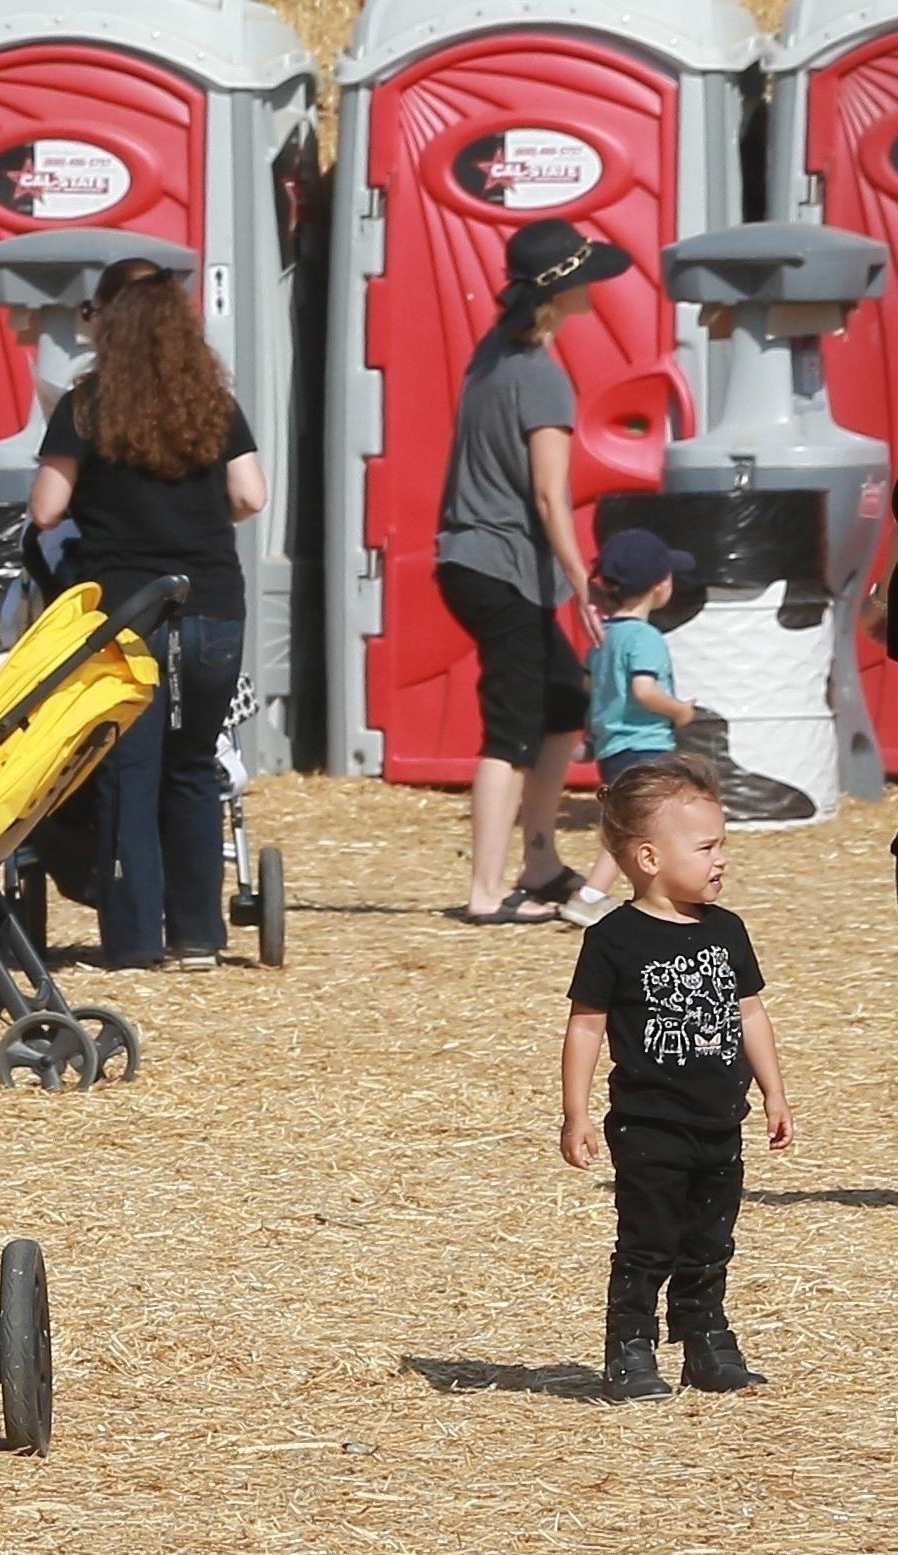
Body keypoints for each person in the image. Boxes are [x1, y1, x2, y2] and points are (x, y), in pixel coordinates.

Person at [26, 259, 266, 970]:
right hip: (212, 603)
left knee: (126, 768)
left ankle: (132, 941)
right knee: (193, 764)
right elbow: (251, 496)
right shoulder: (212, 403)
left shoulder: (85, 406)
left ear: (106, 324)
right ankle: (197, 935)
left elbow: (45, 508)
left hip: (124, 603)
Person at [560, 755, 794, 1402]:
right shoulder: (613, 940)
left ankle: (704, 1340)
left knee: (708, 1240)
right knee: (646, 1241)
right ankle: (628, 1347)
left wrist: (774, 1091)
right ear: (647, 857)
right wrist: (573, 1112)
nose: (721, 859)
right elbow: (583, 1027)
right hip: (648, 1127)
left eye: (722, 844)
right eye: (706, 846)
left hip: (720, 1122)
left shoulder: (726, 931)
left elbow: (750, 1012)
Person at [437, 219, 637, 924]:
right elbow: (551, 494)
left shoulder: (493, 355)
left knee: (560, 701)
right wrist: (582, 580)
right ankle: (485, 892)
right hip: (498, 565)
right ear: (563, 290)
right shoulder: (543, 378)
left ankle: (541, 860)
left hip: (475, 560)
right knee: (512, 727)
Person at [561, 532, 698, 929]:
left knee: (637, 824)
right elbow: (644, 690)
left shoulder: (602, 640)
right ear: (660, 587)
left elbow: (592, 691)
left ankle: (640, 894)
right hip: (647, 746)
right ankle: (591, 896)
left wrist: (590, 737)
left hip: (611, 748)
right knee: (635, 827)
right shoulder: (646, 638)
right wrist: (679, 711)